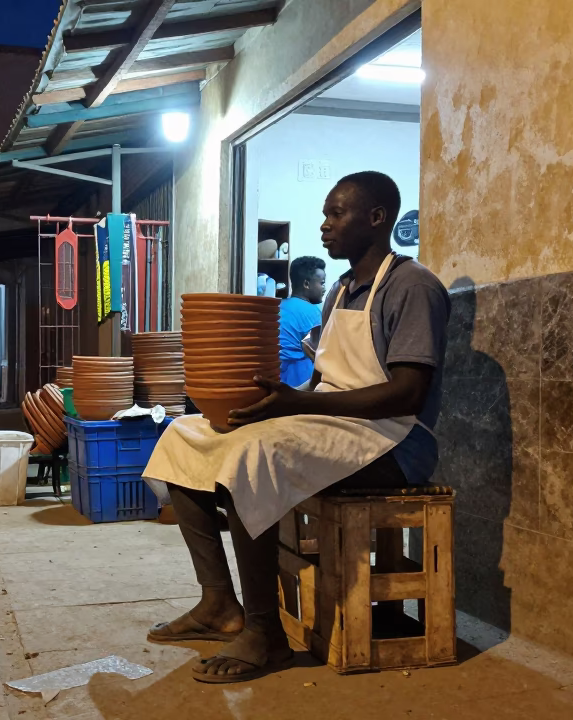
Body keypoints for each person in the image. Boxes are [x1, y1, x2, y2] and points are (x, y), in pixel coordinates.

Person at [143, 171, 450, 683]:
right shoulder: (340, 291)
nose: (324, 226)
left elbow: (408, 393)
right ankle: (219, 602)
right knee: (187, 434)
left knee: (253, 454)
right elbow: (323, 383)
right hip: (335, 426)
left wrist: (293, 408)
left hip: (394, 440)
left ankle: (266, 633)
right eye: (326, 215)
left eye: (336, 214)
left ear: (377, 218)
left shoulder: (412, 286)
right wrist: (279, 401)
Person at [277, 256, 326, 388]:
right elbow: (323, 353)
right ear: (306, 284)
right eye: (322, 283)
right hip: (299, 379)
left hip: (278, 376)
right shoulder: (312, 312)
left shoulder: (280, 305)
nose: (325, 288)